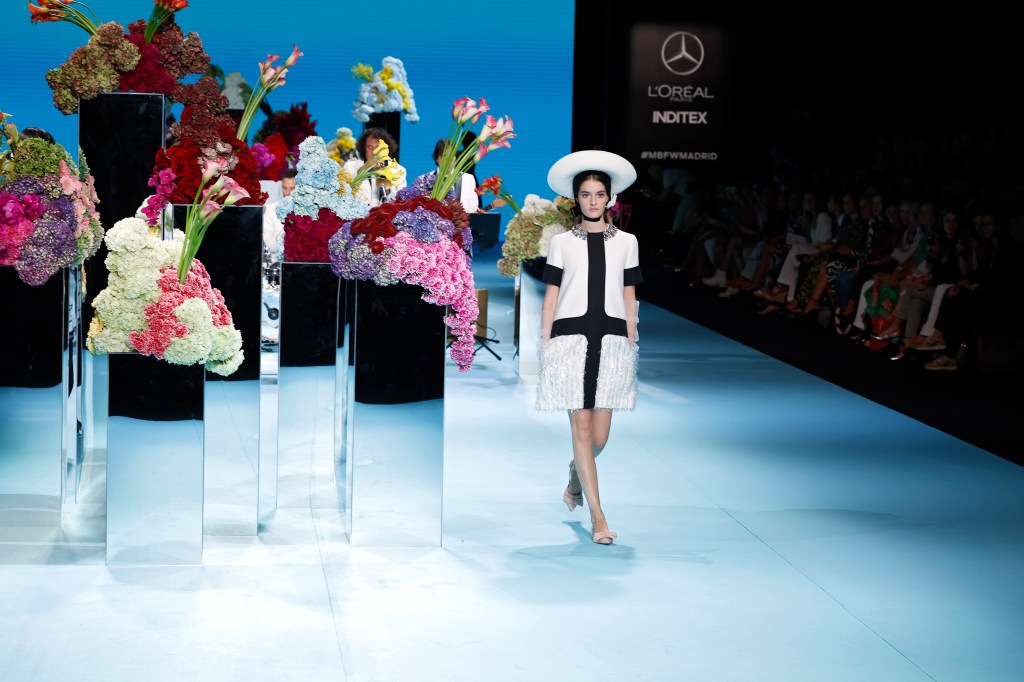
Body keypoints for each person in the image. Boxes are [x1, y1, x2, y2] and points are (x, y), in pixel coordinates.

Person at [538, 150, 641, 546]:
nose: (593, 201)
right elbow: (552, 295)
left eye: (599, 194)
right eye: (586, 194)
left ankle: (574, 474)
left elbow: (629, 295)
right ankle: (599, 517)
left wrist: (631, 340)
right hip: (569, 340)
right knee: (580, 429)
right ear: (576, 198)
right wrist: (546, 344)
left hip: (612, 341)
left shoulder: (627, 242)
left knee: (598, 438)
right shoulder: (561, 242)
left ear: (610, 198)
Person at [342, 127, 407, 207]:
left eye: (378, 147)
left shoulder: (399, 170)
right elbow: (344, 194)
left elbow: (399, 201)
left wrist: (387, 189)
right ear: (364, 149)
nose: (374, 152)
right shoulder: (350, 166)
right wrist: (366, 167)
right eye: (370, 147)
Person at [418, 138, 479, 212]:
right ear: (437, 158)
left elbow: (473, 210)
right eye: (445, 156)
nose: (448, 160)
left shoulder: (468, 179)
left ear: (455, 158)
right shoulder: (423, 180)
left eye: (452, 156)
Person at [262, 167, 297, 263]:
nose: (287, 193)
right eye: (285, 188)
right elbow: (266, 244)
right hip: (275, 264)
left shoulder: (307, 211)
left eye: (292, 188)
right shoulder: (270, 210)